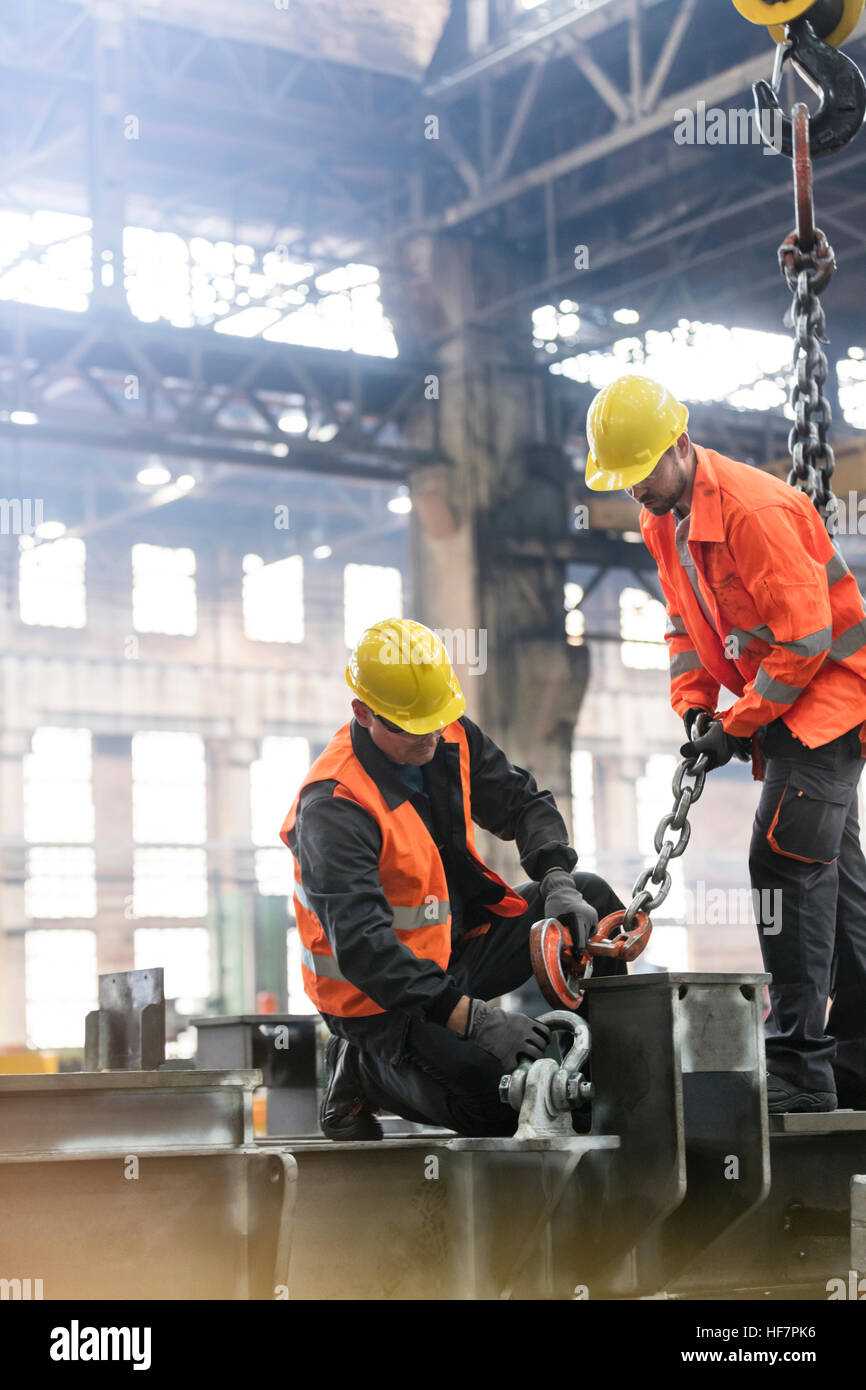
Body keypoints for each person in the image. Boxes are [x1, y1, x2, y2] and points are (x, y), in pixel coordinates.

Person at [584, 372, 866, 1113]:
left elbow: (807, 640)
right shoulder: (661, 517)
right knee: (841, 885)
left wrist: (736, 729)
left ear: (680, 446)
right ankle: (857, 1059)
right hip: (787, 703)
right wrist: (693, 708)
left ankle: (802, 1068)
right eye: (623, 480)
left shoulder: (753, 509)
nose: (633, 491)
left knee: (783, 863)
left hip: (829, 699)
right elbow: (683, 626)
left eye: (640, 473)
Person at [280, 617, 625, 1139]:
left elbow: (523, 803)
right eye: (412, 727)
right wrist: (477, 1021)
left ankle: (611, 1087)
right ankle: (362, 1069)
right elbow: (366, 950)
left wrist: (555, 879)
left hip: (452, 953)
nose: (429, 738)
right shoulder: (335, 804)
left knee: (592, 900)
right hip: (377, 999)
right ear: (363, 712)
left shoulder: (449, 735)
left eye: (436, 721)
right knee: (499, 1103)